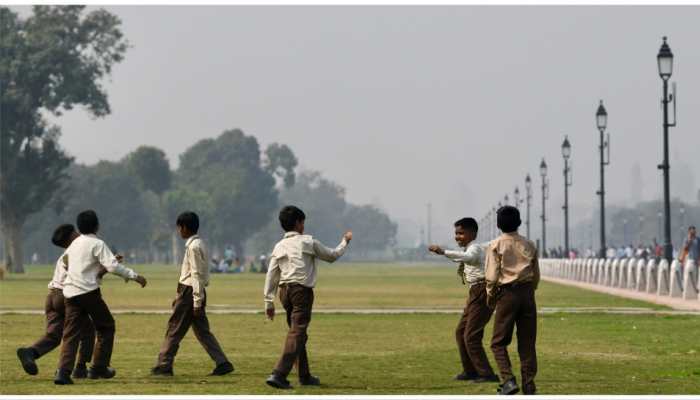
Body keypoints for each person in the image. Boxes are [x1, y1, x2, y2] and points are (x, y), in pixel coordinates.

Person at [263, 205, 352, 389]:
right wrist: (345, 242)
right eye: (303, 222)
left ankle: (304, 375)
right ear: (298, 223)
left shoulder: (279, 246)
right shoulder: (307, 242)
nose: (304, 225)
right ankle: (279, 374)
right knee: (297, 333)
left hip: (284, 292)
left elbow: (271, 273)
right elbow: (332, 256)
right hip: (301, 292)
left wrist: (268, 301)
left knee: (298, 334)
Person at [54, 210, 148, 385]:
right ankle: (98, 367)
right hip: (88, 293)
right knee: (106, 327)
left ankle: (63, 372)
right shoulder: (97, 243)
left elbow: (75, 267)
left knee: (71, 334)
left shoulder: (73, 245)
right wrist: (135, 276)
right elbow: (113, 267)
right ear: (97, 226)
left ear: (79, 227)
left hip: (70, 294)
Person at [152, 211, 234, 377]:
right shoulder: (200, 244)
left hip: (190, 292)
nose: (178, 231)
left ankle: (164, 364)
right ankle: (222, 362)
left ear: (185, 228)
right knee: (203, 331)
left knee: (174, 328)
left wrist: (196, 301)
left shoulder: (193, 247)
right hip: (195, 291)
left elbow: (196, 274)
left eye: (179, 228)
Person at [17, 224, 98, 378]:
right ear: (72, 237)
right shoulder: (77, 254)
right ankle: (79, 368)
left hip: (52, 296)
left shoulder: (64, 255)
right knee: (86, 331)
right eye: (76, 233)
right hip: (66, 296)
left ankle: (30, 353)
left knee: (54, 336)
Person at [428, 217, 498, 383]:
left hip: (482, 291)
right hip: (475, 292)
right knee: (461, 333)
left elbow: (469, 258)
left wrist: (443, 252)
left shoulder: (474, 248)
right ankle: (470, 371)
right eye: (456, 233)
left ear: (472, 233)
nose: (457, 236)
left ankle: (486, 374)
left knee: (471, 335)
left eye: (461, 233)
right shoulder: (475, 246)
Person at [485, 206, 539, 395]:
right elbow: (535, 275)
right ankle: (529, 384)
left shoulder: (496, 245)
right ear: (519, 222)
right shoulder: (529, 244)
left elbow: (491, 277)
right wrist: (530, 292)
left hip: (507, 294)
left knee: (498, 342)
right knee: (527, 342)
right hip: (527, 294)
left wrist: (491, 296)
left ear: (498, 224)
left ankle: (508, 380)